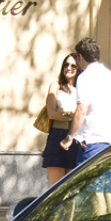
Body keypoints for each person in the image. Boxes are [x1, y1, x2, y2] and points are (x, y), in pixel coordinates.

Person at [61, 38, 111, 215]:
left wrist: (69, 137)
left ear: (80, 57)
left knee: (95, 193)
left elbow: (81, 110)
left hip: (93, 142)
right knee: (109, 191)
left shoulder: (85, 77)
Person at [42, 54, 81, 186]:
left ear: (79, 68)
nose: (68, 68)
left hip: (76, 139)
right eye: (66, 64)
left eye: (73, 65)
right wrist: (72, 116)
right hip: (57, 138)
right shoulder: (56, 86)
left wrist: (65, 113)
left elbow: (85, 115)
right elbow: (51, 113)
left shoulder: (82, 89)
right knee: (55, 189)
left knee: (71, 189)